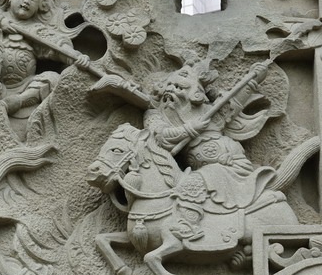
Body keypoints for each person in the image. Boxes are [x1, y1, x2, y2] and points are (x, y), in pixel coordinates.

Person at [94, 60, 277, 241]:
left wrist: (254, 79)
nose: (172, 91)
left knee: (192, 183)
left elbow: (233, 103)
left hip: (230, 165)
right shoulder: (155, 115)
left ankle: (190, 229)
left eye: (179, 87)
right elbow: (159, 136)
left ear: (195, 92)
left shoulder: (208, 110)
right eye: (169, 86)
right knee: (189, 183)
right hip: (205, 169)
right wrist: (189, 129)